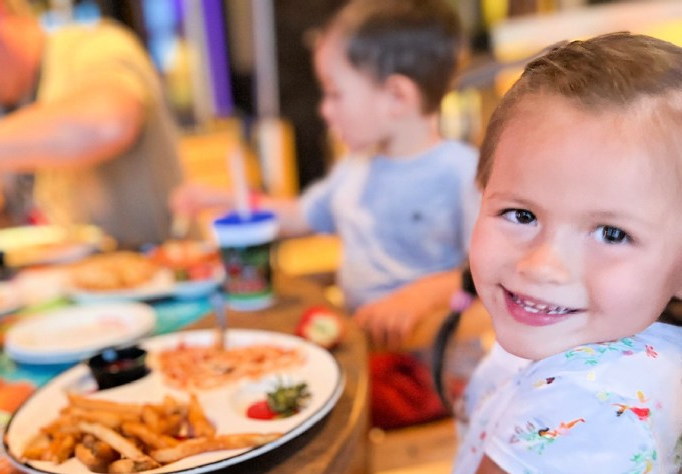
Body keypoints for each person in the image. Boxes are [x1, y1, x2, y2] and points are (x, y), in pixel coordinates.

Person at [260, 32, 682, 474]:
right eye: (519, 213)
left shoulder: (597, 401)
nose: (544, 264)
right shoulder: (585, 338)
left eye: (612, 233)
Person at [170, 0, 478, 352]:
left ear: (396, 96)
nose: (324, 110)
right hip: (364, 349)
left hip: (435, 372)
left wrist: (422, 295)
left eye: (335, 94)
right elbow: (299, 216)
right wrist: (223, 199)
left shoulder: (462, 172)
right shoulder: (354, 167)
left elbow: (492, 273)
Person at [0, 0, 184, 249]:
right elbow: (25, 234)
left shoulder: (95, 48)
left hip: (167, 286)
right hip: (69, 297)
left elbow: (108, 125)